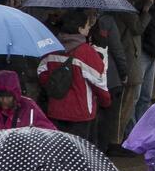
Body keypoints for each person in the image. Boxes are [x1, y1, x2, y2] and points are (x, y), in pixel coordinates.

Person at [38, 13, 111, 142]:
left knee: (58, 153)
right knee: (78, 155)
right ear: (80, 29)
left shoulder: (53, 48)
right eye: (87, 25)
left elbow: (42, 73)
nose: (89, 28)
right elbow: (100, 83)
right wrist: (106, 102)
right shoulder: (86, 52)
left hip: (55, 110)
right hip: (80, 114)